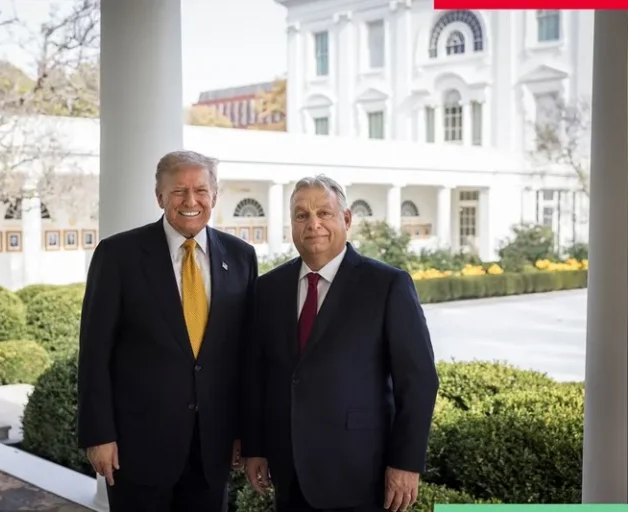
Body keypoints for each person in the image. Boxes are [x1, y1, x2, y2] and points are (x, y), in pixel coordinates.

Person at [241, 175, 439, 512]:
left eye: (324, 213)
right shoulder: (268, 288)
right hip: (289, 472)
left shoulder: (387, 285)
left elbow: (418, 380)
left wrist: (406, 463)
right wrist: (255, 447)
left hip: (361, 472)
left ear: (346, 219)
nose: (313, 224)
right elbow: (257, 375)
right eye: (302, 215)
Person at [78, 150, 258, 511]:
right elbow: (94, 353)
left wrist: (246, 433)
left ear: (214, 195)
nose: (190, 201)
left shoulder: (241, 256)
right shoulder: (118, 255)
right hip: (137, 448)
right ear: (159, 197)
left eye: (200, 190)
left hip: (212, 448)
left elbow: (247, 355)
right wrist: (98, 436)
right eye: (178, 191)